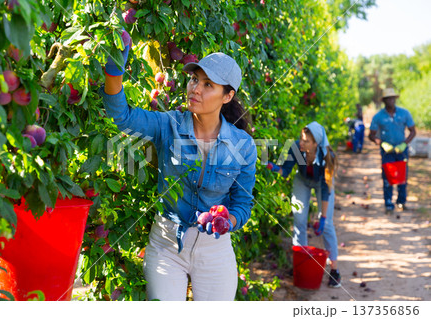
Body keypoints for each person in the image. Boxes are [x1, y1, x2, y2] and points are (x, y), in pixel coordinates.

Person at [100, 35, 257, 301]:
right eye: (194, 79)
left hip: (214, 249)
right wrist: (114, 70)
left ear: (227, 96)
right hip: (166, 244)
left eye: (208, 85)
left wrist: (226, 221)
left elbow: (243, 203)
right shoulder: (168, 125)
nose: (195, 88)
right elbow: (122, 117)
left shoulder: (243, 145)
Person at [267, 122, 341, 288]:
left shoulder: (326, 156)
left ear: (316, 144)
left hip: (322, 183)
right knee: (299, 220)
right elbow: (285, 171)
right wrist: (272, 167)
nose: (301, 143)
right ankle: (301, 264)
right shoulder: (296, 148)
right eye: (301, 139)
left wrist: (322, 217)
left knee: (327, 225)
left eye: (306, 141)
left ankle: (334, 270)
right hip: (303, 180)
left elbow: (325, 187)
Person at [368, 88, 416, 213]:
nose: (391, 100)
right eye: (388, 98)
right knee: (387, 177)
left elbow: (413, 131)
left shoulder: (404, 113)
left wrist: (404, 144)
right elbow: (371, 135)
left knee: (402, 176)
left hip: (401, 150)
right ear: (384, 100)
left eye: (392, 98)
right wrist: (381, 143)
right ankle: (388, 204)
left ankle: (401, 202)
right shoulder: (379, 116)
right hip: (387, 151)